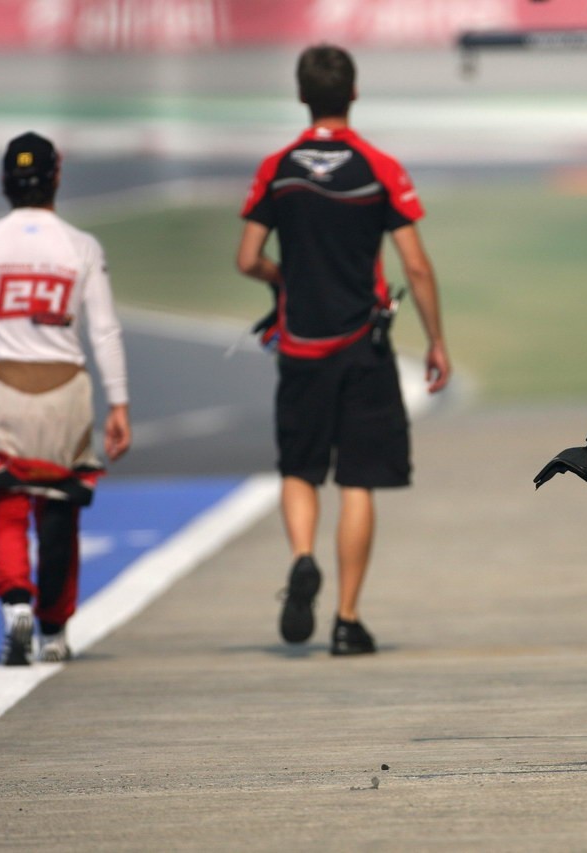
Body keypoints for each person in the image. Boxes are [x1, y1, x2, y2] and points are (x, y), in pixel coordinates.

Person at [236, 44, 450, 655]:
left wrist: (284, 280)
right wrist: (435, 341)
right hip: (363, 345)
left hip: (300, 346)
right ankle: (347, 621)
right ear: (352, 95)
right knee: (358, 481)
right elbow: (417, 264)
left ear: (304, 97)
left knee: (300, 471)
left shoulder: (277, 168)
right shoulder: (379, 167)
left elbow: (246, 258)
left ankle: (303, 557)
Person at [0, 131, 132, 665]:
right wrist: (119, 403)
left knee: (4, 500)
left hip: (0, 385)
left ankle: (15, 604)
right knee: (59, 509)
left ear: (5, 181)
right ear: (57, 178)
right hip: (65, 391)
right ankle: (54, 631)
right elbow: (105, 332)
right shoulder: (81, 246)